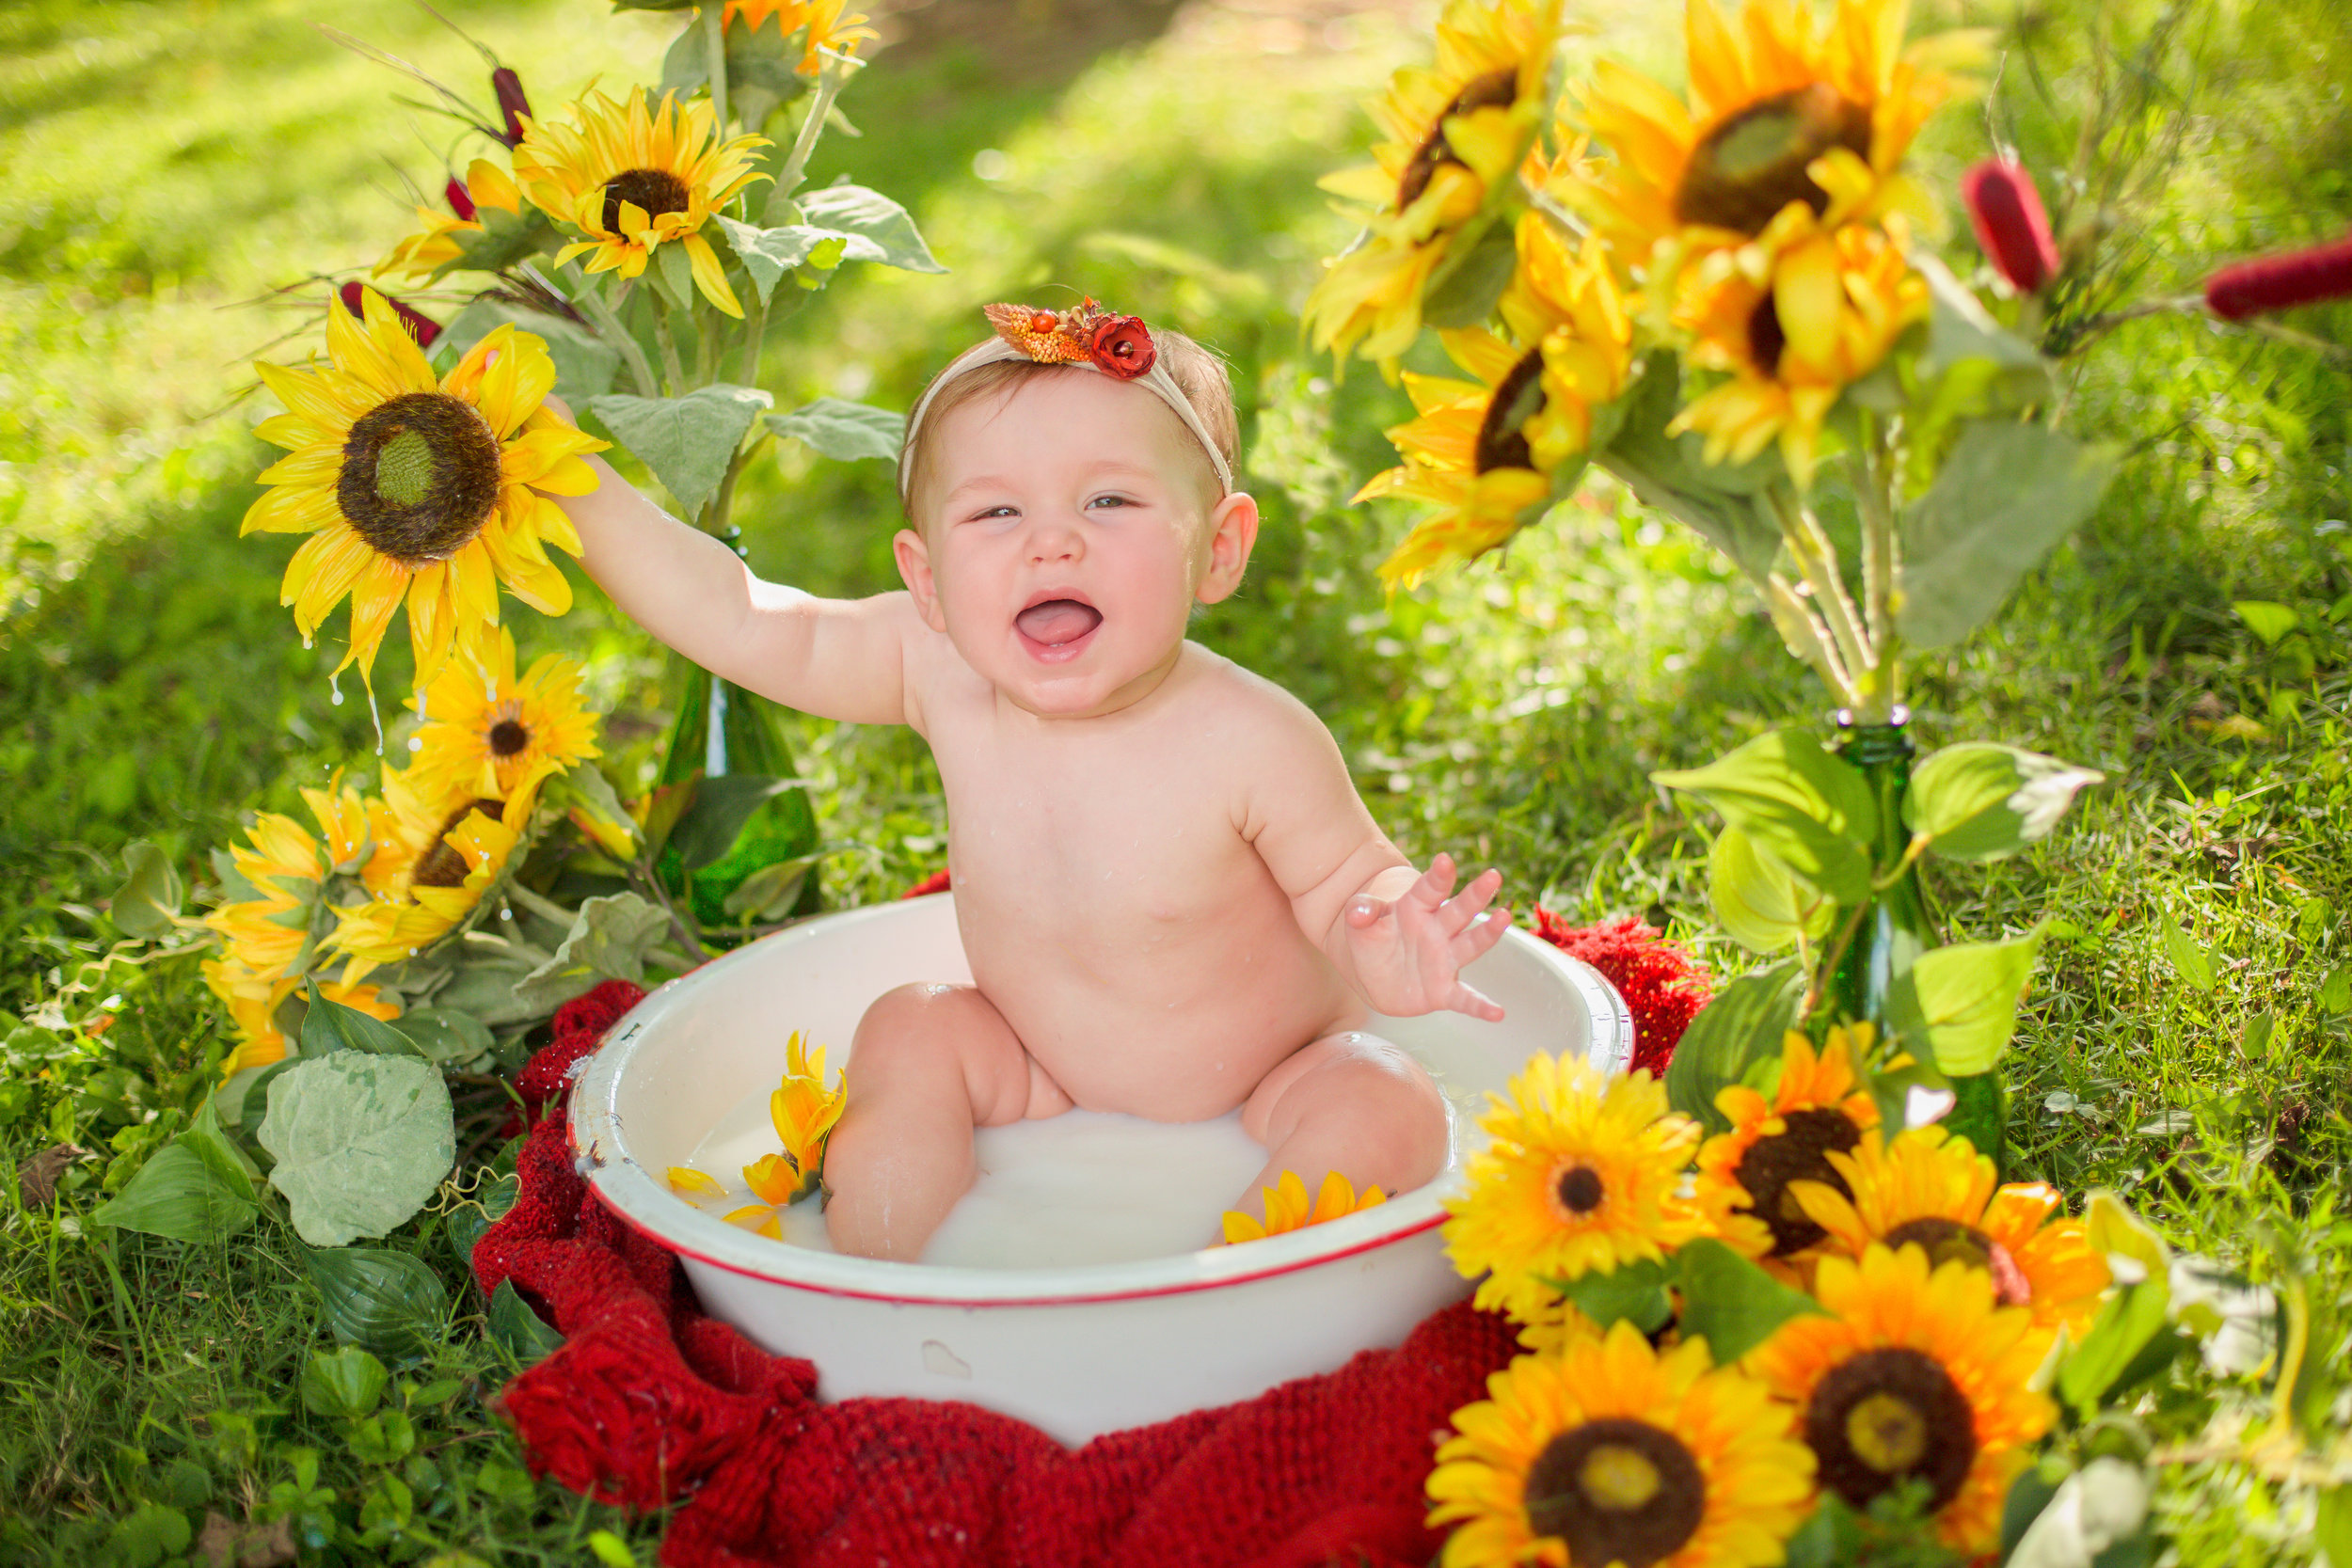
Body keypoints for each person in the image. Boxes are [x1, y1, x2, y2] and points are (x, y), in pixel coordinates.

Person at [543, 301, 1511, 1261]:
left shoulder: (1250, 737)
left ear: (1215, 548)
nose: (1051, 542)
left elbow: (1351, 880)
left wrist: (1385, 931)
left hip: (1276, 1072)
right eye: (996, 510)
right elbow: (744, 618)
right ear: (926, 581)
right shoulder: (939, 670)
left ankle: (1227, 1274)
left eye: (1108, 502)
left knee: (1384, 1098)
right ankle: (871, 1265)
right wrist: (562, 474)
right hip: (1039, 1061)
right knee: (913, 1023)